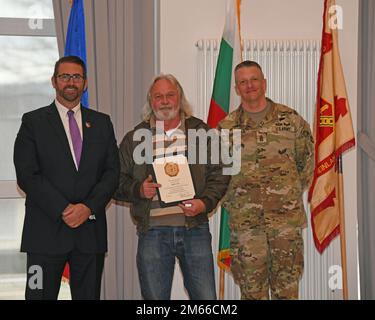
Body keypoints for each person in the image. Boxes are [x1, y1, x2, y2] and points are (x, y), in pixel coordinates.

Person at [114, 74, 230, 300]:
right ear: (151, 101)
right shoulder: (135, 138)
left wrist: (204, 203)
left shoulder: (202, 132)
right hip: (152, 232)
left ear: (180, 98)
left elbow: (221, 172)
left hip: (194, 229)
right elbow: (115, 180)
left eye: (170, 95)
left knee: (206, 300)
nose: (165, 101)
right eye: (158, 96)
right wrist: (138, 189)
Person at [13, 56, 120, 300]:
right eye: (64, 76)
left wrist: (87, 207)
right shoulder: (33, 122)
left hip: (89, 233)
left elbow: (112, 173)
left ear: (86, 83)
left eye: (77, 77)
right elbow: (27, 175)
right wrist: (63, 208)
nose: (71, 82)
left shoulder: (102, 123)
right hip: (44, 235)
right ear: (54, 81)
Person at [218, 60, 314, 300]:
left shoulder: (291, 121)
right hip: (246, 228)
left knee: (287, 293)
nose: (249, 85)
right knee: (251, 294)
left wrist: (285, 194)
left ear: (264, 83)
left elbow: (307, 164)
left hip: (285, 225)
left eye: (254, 79)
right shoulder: (225, 128)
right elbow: (217, 176)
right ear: (236, 88)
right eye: (243, 82)